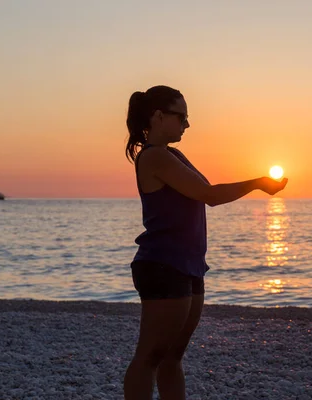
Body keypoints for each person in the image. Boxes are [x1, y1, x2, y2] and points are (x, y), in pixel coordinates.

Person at [122, 85, 288, 400]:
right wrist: (257, 183)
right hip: (162, 264)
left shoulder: (173, 154)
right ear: (158, 116)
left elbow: (205, 189)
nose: (187, 124)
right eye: (181, 116)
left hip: (189, 264)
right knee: (150, 356)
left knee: (172, 357)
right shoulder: (155, 157)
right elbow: (210, 196)